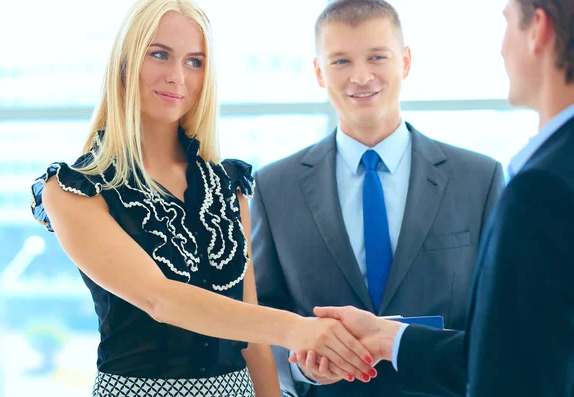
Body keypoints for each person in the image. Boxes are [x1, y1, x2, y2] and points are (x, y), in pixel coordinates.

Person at [28, 0, 376, 395]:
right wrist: (298, 330)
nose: (178, 77)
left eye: (195, 62)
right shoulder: (74, 190)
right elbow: (162, 300)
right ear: (124, 64)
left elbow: (253, 340)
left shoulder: (229, 185)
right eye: (160, 54)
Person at [304, 0, 574, 396]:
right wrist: (388, 337)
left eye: (507, 26)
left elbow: (512, 370)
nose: (500, 49)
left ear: (538, 29)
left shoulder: (535, 188)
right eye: (341, 61)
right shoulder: (274, 185)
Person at [250, 0, 505, 396]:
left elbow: (500, 315)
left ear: (404, 61)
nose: (361, 76)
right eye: (340, 62)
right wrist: (305, 367)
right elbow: (261, 317)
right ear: (319, 72)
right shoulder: (274, 186)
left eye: (377, 57)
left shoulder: (479, 178)